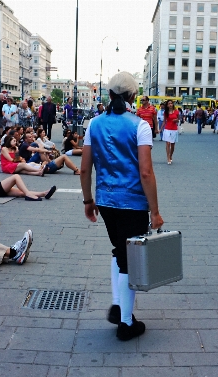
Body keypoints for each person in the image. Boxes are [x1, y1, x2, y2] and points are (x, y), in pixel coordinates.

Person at [81, 71, 163, 341]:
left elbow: (85, 170)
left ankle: (119, 304)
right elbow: (146, 172)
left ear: (110, 94)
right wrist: (155, 211)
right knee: (131, 259)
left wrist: (88, 201)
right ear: (132, 96)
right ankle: (126, 324)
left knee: (119, 251)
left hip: (105, 200)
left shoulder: (93, 124)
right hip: (133, 202)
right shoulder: (140, 126)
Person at [161, 99, 179, 165]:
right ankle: (168, 157)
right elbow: (164, 121)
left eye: (171, 103)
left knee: (172, 144)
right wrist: (160, 129)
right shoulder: (165, 113)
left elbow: (178, 119)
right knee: (168, 143)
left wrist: (176, 120)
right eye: (169, 103)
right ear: (167, 105)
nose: (170, 104)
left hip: (174, 129)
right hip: (167, 129)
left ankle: (171, 155)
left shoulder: (176, 111)